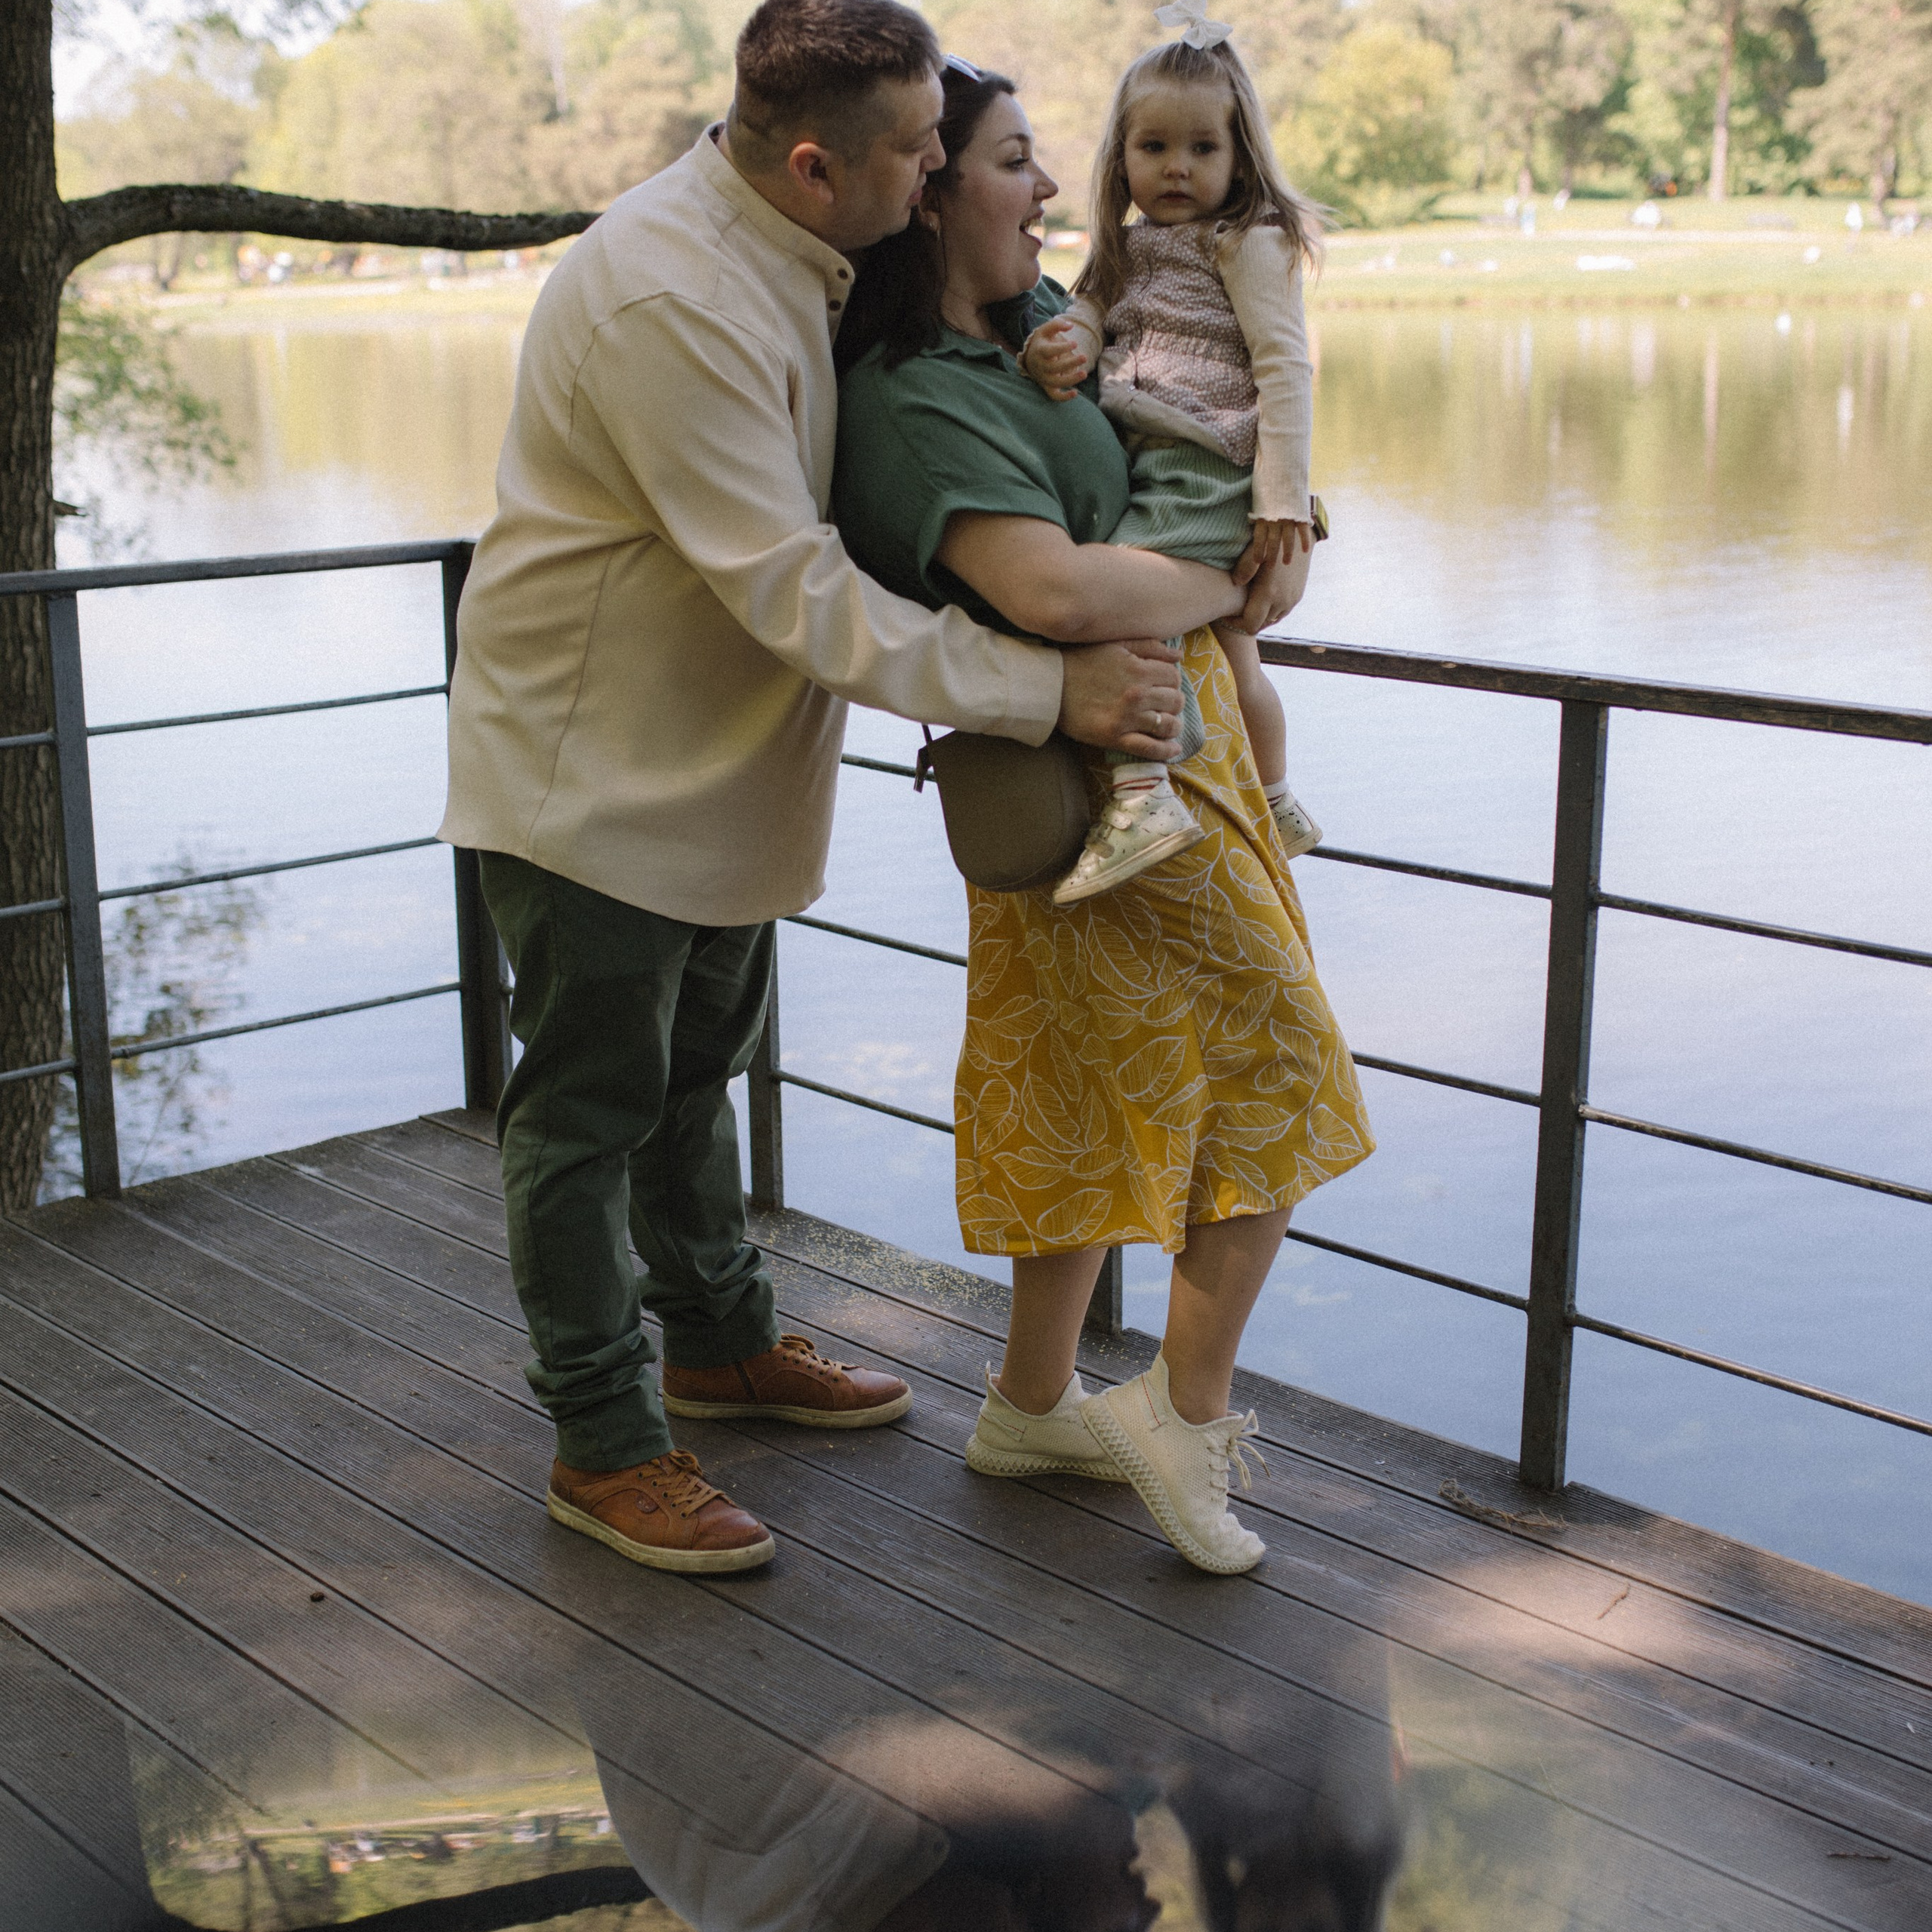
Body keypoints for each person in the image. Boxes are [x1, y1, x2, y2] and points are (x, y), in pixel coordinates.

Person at [438, 0, 1195, 1577]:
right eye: (922, 152)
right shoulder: (667, 297)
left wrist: (1049, 336)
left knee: (699, 1064)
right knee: (583, 1112)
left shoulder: (808, 246)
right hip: (596, 775)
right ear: (809, 162)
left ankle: (717, 1341)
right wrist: (1047, 686)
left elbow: (945, 354)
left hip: (724, 765)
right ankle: (602, 1437)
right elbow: (796, 591)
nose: (938, 175)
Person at [832, 63, 1374, 1577]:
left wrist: (1283, 525)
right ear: (930, 188)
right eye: (1017, 164)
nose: (1056, 190)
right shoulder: (913, 394)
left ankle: (1026, 1402)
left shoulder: (1025, 332)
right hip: (1102, 778)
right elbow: (1052, 591)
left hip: (1156, 739)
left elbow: (1187, 433)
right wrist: (1233, 581)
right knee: (1280, 1069)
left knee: (1065, 1078)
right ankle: (1179, 1417)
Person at [1020, 11, 1328, 906]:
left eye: (1201, 147)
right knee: (1238, 660)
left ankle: (1142, 794)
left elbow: (1285, 371)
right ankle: (1275, 800)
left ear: (1240, 158)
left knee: (1121, 608)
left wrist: (1282, 502)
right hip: (1163, 462)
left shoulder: (1246, 240)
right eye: (1153, 147)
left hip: (1210, 467)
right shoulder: (1122, 248)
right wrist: (1060, 345)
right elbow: (1085, 310)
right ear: (1120, 157)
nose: (1177, 168)